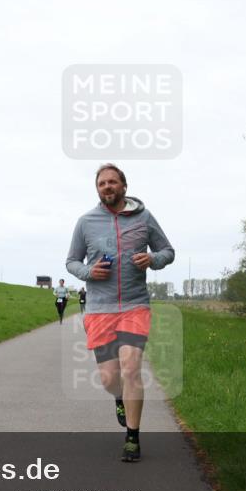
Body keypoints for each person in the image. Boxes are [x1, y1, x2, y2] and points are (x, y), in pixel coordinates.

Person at [66, 163, 174, 462]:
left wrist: (152, 259)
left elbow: (168, 251)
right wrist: (89, 271)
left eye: (112, 182)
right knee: (109, 378)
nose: (107, 187)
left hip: (134, 305)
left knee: (130, 366)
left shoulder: (144, 218)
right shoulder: (86, 222)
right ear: (97, 189)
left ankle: (132, 438)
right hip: (100, 309)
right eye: (102, 183)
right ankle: (118, 398)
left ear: (124, 186)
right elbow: (71, 261)